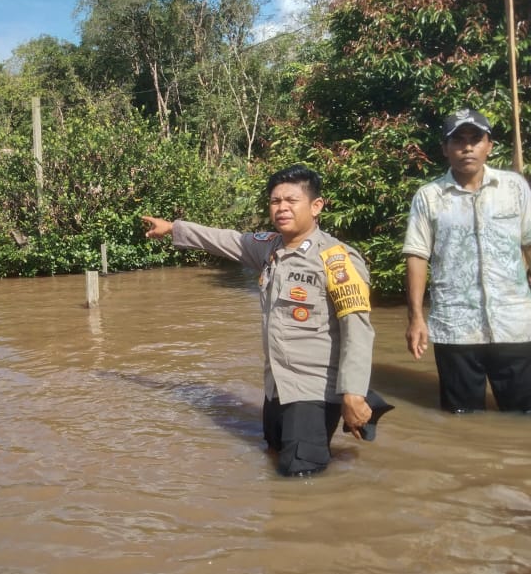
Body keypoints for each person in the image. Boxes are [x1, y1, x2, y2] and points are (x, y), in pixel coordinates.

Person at [142, 163, 380, 477]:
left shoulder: (337, 260)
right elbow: (224, 239)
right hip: (276, 387)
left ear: (316, 206)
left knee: (301, 478)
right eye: (275, 201)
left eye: (291, 200)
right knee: (275, 457)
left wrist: (353, 393)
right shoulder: (269, 248)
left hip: (312, 390)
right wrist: (174, 228)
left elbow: (357, 329)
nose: (282, 208)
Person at [402, 108, 531, 413]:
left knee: (525, 417)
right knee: (461, 419)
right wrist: (416, 317)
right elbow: (417, 255)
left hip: (516, 324)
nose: (467, 147)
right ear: (445, 149)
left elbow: (529, 243)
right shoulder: (429, 196)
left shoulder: (515, 187)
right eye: (458, 140)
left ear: (489, 145)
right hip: (455, 327)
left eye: (476, 139)